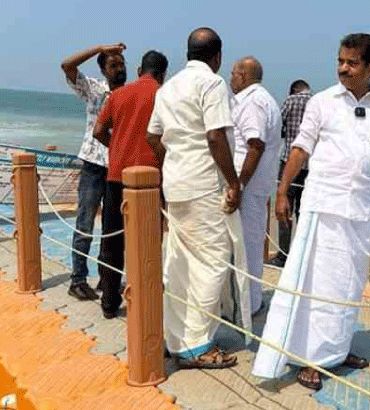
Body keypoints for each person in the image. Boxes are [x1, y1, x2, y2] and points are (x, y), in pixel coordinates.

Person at [252, 33, 370, 390]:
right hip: (322, 206)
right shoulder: (322, 102)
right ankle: (310, 358)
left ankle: (336, 350)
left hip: (360, 210)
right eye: (340, 61)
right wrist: (283, 190)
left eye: (351, 63)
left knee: (349, 284)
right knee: (315, 283)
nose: (343, 69)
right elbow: (300, 149)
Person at [146, 27, 251, 369]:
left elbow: (153, 136)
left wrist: (174, 160)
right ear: (217, 56)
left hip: (176, 184)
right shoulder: (213, 83)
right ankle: (196, 345)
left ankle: (175, 337)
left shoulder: (169, 87)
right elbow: (215, 136)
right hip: (205, 185)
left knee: (179, 263)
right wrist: (233, 183)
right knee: (212, 262)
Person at [92, 50, 168, 318]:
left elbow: (98, 131)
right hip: (149, 180)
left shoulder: (118, 95)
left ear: (139, 70)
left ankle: (109, 303)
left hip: (116, 176)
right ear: (163, 74)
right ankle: (145, 299)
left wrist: (117, 147)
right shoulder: (164, 95)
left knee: (112, 242)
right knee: (148, 243)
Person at [60, 43, 127, 301]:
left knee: (111, 228)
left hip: (116, 167)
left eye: (122, 64)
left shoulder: (128, 94)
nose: (119, 69)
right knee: (85, 223)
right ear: (103, 69)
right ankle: (77, 279)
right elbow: (67, 65)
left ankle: (106, 279)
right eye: (113, 65)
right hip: (92, 165)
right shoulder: (93, 89)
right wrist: (100, 47)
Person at [230, 56, 282, 314]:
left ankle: (247, 305)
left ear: (243, 76)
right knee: (248, 244)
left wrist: (238, 184)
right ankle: (247, 300)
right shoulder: (262, 100)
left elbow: (255, 144)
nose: (230, 80)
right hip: (253, 186)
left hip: (247, 188)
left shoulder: (252, 102)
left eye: (233, 74)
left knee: (247, 246)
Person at [268, 79, 313, 267]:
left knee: (284, 210)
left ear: (293, 90)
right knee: (305, 213)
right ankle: (303, 257)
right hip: (311, 166)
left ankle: (283, 255)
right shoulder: (318, 102)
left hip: (289, 162)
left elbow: (277, 128)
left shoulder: (290, 101)